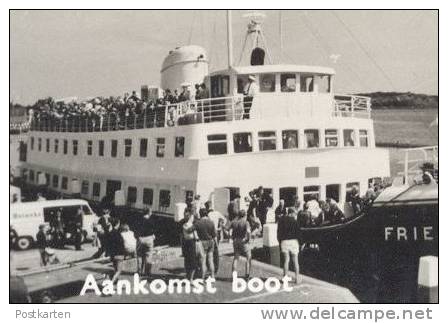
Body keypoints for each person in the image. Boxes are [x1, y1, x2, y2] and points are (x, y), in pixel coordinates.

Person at [277, 208, 301, 284]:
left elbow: (278, 233)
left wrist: (280, 241)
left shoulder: (281, 221)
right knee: (295, 261)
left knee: (286, 260)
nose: (295, 215)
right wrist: (301, 242)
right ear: (292, 213)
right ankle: (297, 278)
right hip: (294, 241)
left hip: (284, 241)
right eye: (295, 214)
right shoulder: (295, 221)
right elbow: (298, 233)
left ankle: (285, 278)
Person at [193, 209, 217, 280]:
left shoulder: (198, 223)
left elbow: (193, 231)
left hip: (202, 242)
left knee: (203, 261)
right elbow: (214, 234)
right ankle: (212, 276)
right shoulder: (211, 222)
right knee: (210, 260)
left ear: (200, 214)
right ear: (206, 214)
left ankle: (202, 278)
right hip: (210, 241)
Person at [229, 210, 252, 280]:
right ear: (245, 215)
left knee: (236, 258)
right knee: (248, 258)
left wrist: (231, 237)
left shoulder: (233, 222)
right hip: (243, 240)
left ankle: (234, 275)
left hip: (235, 240)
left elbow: (228, 230)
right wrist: (248, 239)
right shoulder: (246, 222)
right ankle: (247, 275)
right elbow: (248, 232)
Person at [137, 208, 156, 277]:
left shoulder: (139, 220)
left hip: (141, 239)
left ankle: (139, 272)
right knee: (149, 255)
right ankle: (147, 272)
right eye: (151, 212)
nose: (151, 213)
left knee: (139, 255)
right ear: (148, 212)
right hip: (149, 239)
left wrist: (138, 237)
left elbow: (136, 229)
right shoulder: (151, 221)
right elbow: (154, 230)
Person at [181, 209, 198, 282]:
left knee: (189, 260)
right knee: (190, 260)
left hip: (188, 242)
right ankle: (190, 277)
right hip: (190, 242)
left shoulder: (185, 224)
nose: (186, 217)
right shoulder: (188, 225)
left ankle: (189, 277)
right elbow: (190, 231)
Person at [107, 217, 125, 284]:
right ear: (118, 224)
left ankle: (115, 280)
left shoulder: (111, 233)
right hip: (119, 254)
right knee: (119, 270)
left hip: (113, 254)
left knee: (115, 269)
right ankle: (111, 283)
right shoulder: (118, 233)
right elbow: (121, 244)